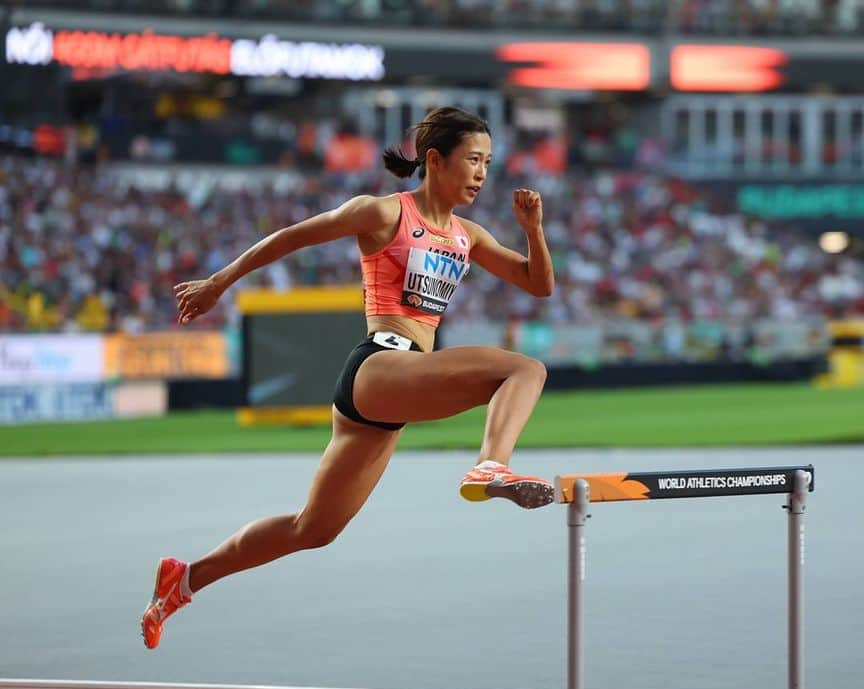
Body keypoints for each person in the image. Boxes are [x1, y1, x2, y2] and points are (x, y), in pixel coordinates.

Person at [141, 107, 556, 650]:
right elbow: (291, 238)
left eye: (488, 163)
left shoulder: (467, 235)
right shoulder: (382, 213)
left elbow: (538, 284)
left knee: (313, 529)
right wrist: (220, 282)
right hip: (380, 363)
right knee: (525, 369)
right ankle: (489, 467)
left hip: (390, 394)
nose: (482, 173)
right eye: (473, 160)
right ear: (435, 160)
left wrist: (534, 231)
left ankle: (185, 578)